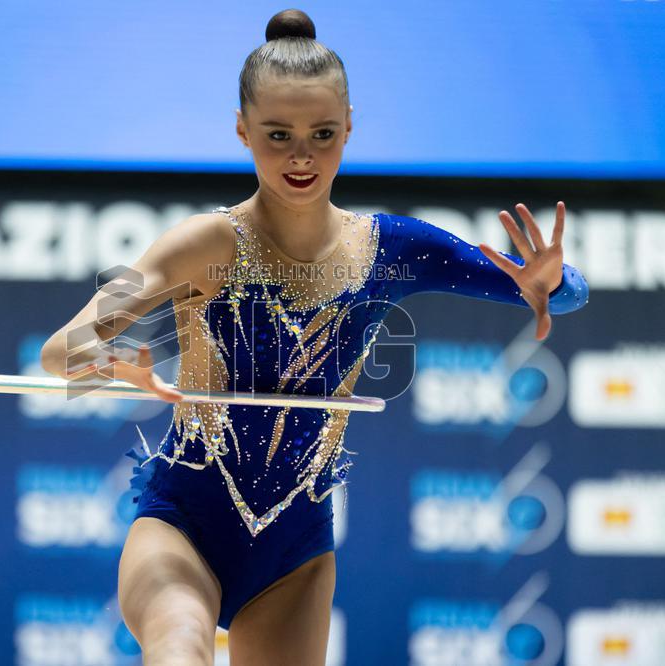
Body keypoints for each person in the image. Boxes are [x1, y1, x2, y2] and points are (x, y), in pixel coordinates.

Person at [40, 9, 588, 665]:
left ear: (349, 127)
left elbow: (561, 289)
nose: (301, 156)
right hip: (182, 523)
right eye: (277, 135)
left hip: (294, 551)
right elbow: (61, 350)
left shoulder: (394, 251)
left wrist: (547, 283)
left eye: (322, 134)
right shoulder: (202, 245)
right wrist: (105, 363)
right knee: (180, 647)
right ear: (242, 130)